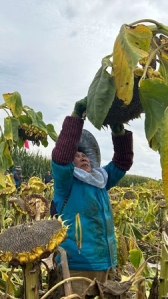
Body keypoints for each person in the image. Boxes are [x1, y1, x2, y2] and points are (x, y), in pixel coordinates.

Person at [51, 98, 133, 295]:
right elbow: (61, 158)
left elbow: (122, 161)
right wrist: (76, 116)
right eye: (77, 156)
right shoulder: (66, 182)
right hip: (75, 264)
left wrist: (118, 130)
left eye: (85, 155)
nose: (83, 157)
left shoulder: (101, 180)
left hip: (104, 262)